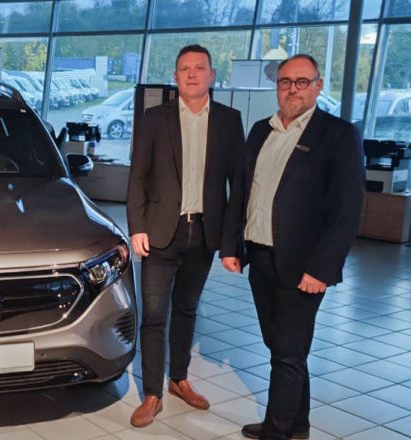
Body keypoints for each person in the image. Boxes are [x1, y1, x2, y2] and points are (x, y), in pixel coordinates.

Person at [220, 54, 365, 440]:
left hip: (304, 265)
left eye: (302, 82)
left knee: (287, 351)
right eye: (285, 82)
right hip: (260, 256)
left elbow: (347, 211)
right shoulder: (260, 131)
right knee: (282, 347)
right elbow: (242, 193)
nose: (292, 90)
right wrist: (230, 245)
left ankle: (278, 431)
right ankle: (296, 425)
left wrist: (322, 269)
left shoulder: (337, 135)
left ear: (318, 86)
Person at [126, 44, 245, 427]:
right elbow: (138, 175)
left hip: (204, 233)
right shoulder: (155, 118)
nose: (192, 74)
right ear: (175, 76)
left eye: (199, 68)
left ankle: (178, 379)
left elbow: (238, 186)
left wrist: (232, 243)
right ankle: (152, 393)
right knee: (154, 315)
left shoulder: (229, 120)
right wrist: (136, 226)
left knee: (187, 308)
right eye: (184, 69)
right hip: (161, 232)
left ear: (212, 75)